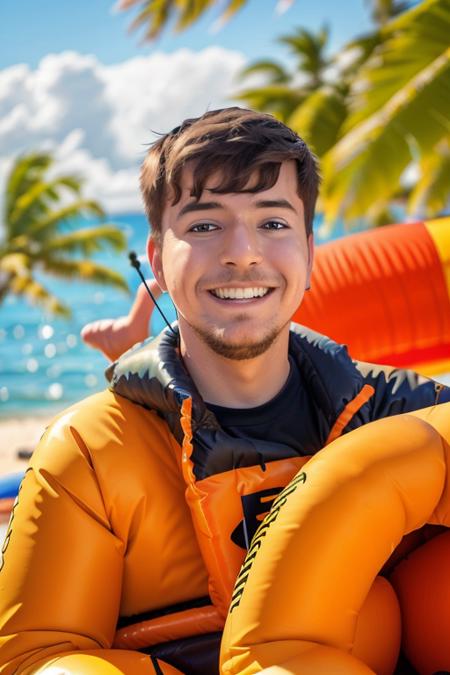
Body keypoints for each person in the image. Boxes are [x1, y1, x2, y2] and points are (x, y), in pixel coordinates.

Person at [0, 107, 449, 675]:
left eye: (273, 223)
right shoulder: (88, 454)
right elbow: (34, 655)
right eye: (205, 226)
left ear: (310, 253)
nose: (242, 252)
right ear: (159, 259)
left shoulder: (400, 410)